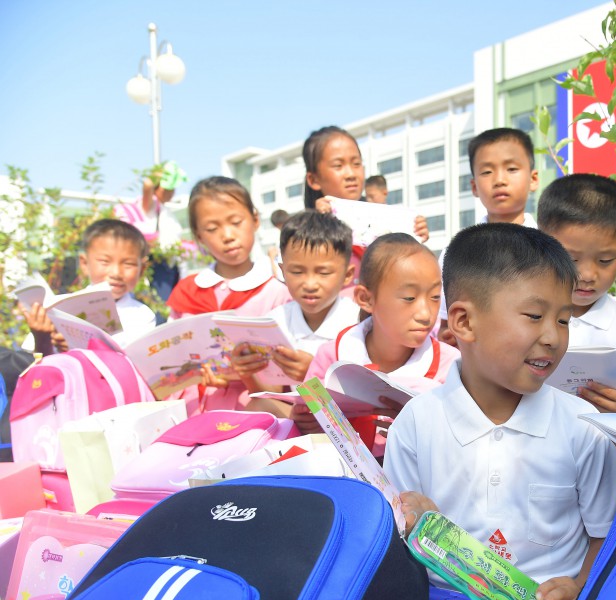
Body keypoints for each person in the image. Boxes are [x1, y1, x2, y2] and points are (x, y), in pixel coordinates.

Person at [385, 223, 616, 600]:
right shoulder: (416, 424)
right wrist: (415, 522)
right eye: (534, 315)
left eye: (564, 320)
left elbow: (608, 534)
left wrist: (580, 585)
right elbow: (400, 543)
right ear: (463, 322)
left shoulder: (584, 425)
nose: (552, 336)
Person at [296, 233, 459, 456]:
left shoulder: (451, 366)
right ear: (366, 299)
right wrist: (310, 425)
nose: (425, 313)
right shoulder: (332, 356)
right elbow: (308, 432)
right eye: (409, 298)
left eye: (434, 296)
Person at [536, 173, 616, 412]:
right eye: (572, 258)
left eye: (605, 260)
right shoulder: (522, 322)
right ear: (541, 244)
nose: (587, 274)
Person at [166, 176, 291, 413]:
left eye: (236, 222)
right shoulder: (187, 291)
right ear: (199, 236)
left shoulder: (277, 293)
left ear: (254, 220)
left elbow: (282, 377)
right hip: (188, 408)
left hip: (251, 407)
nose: (228, 235)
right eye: (212, 229)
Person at [233, 210, 360, 398]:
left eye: (323, 273)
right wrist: (247, 372)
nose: (309, 284)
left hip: (345, 422)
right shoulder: (274, 322)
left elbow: (363, 400)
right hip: (296, 417)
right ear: (282, 271)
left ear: (348, 275)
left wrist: (314, 373)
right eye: (297, 272)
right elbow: (272, 394)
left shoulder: (358, 324)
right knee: (259, 404)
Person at [437, 127, 541, 343]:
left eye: (511, 168)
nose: (499, 180)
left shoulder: (549, 248)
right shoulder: (457, 251)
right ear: (474, 186)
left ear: (533, 179)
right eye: (487, 172)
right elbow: (445, 324)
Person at [20, 219, 157, 353]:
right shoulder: (60, 307)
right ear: (84, 264)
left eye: (128, 264)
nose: (116, 273)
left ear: (142, 269)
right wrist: (42, 337)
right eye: (104, 262)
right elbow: (33, 361)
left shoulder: (142, 316)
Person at [113, 160, 188, 304]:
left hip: (171, 266)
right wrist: (159, 173)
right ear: (157, 188)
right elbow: (147, 184)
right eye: (168, 188)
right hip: (158, 267)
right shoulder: (150, 206)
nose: (172, 192)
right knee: (159, 308)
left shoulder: (166, 210)